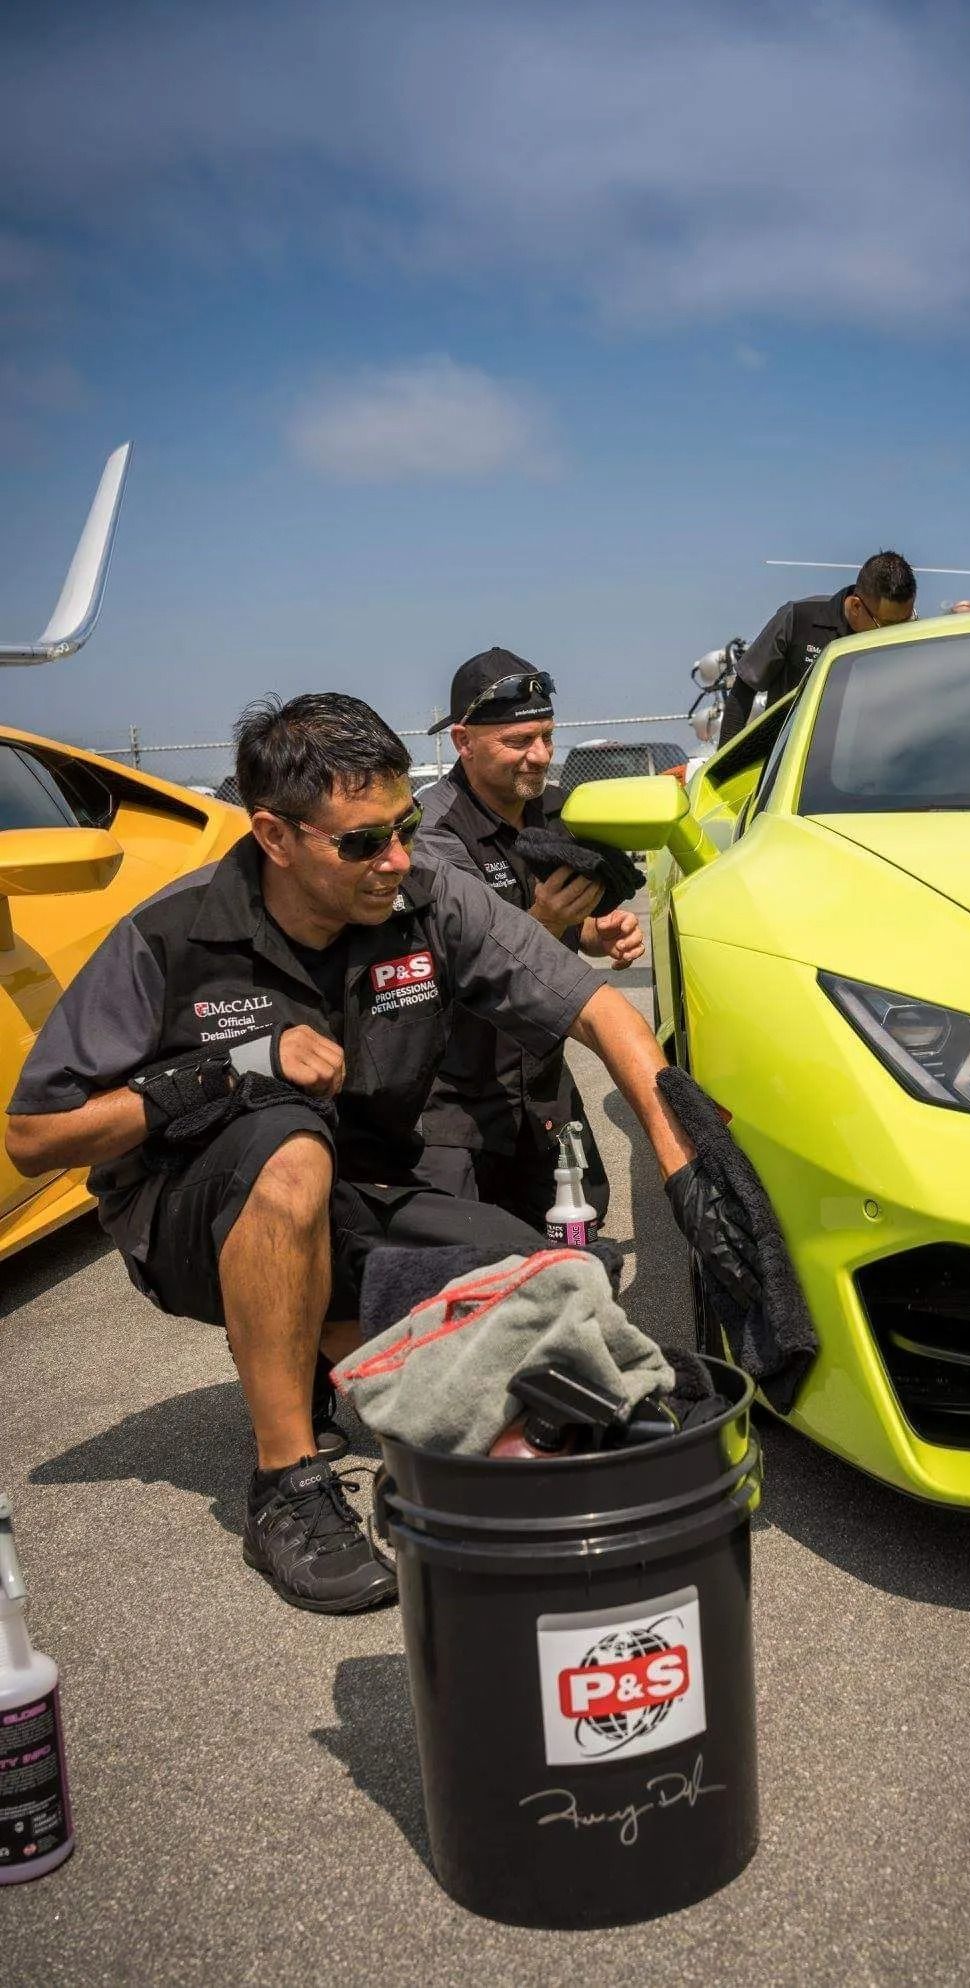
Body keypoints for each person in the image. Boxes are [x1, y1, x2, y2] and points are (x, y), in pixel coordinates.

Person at [5, 694, 753, 1616]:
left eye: (403, 827)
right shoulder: (172, 935)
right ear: (275, 836)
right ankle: (286, 1480)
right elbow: (35, 1137)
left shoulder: (424, 897)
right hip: (194, 1218)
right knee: (285, 1147)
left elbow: (596, 1009)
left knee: (537, 1280)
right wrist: (228, 1071)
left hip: (361, 1194)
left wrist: (692, 1172)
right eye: (362, 842)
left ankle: (336, 1347)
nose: (397, 859)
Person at [413, 647, 643, 1229]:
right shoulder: (431, 836)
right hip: (456, 1104)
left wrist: (595, 931)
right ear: (463, 741)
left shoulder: (555, 811)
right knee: (463, 1266)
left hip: (541, 1088)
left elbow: (567, 931)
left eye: (546, 736)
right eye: (518, 742)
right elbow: (462, 959)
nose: (540, 756)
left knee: (579, 1234)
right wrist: (543, 922)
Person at [717, 549, 917, 744]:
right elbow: (744, 688)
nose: (895, 634)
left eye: (906, 622)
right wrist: (723, 771)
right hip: (792, 762)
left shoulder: (907, 640)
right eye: (887, 625)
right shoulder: (797, 619)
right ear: (856, 606)